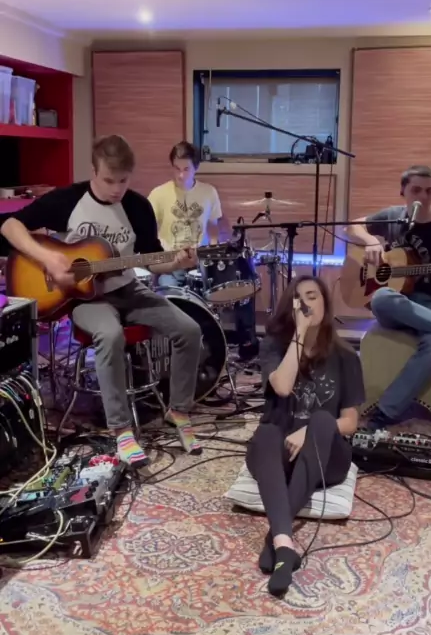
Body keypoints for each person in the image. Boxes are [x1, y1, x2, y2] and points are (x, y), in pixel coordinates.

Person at [0, 134, 205, 463]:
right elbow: (10, 225)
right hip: (85, 299)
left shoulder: (137, 206)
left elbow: (153, 260)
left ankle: (179, 411)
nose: (116, 189)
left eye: (123, 181)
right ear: (93, 171)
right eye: (109, 180)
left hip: (129, 290)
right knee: (110, 335)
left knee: (190, 329)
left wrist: (178, 262)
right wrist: (49, 258)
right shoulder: (68, 200)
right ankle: (121, 430)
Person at [246, 275, 365, 598]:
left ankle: (275, 537)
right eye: (299, 299)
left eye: (313, 296)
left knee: (324, 420)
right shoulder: (273, 346)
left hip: (326, 456)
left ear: (325, 302)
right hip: (278, 454)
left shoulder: (346, 357)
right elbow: (283, 387)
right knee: (267, 430)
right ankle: (285, 545)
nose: (307, 304)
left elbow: (350, 422)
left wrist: (309, 431)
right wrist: (299, 334)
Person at [347, 164, 431, 429]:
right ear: (403, 191)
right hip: (395, 304)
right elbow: (353, 227)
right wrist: (371, 241)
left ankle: (384, 412)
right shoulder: (392, 217)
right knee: (381, 297)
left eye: (429, 191)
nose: (423, 196)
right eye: (416, 190)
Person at [148, 141, 259, 360]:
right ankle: (173, 354)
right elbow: (148, 233)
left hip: (200, 263)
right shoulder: (158, 194)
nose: (181, 175)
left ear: (196, 167)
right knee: (169, 299)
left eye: (186, 169)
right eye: (176, 168)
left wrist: (214, 251)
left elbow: (214, 229)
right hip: (171, 264)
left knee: (241, 282)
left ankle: (237, 345)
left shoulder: (208, 192)